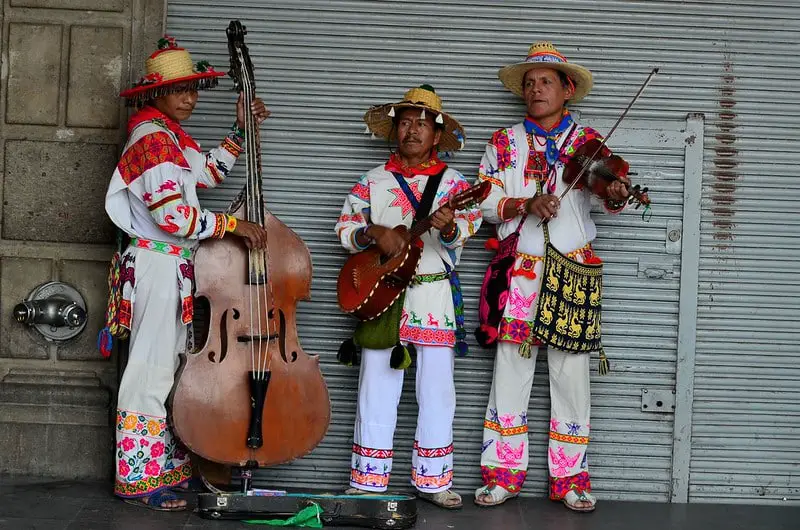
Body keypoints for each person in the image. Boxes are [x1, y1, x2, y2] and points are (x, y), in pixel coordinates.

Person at [103, 36, 270, 511]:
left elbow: (207, 175)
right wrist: (232, 225)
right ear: (153, 93)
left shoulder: (171, 137)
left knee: (168, 367)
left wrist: (239, 133)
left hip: (171, 267)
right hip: (157, 263)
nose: (190, 98)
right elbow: (174, 218)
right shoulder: (153, 140)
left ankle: (164, 468)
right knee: (150, 370)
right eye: (180, 90)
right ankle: (137, 478)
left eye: (194, 89)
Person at [473, 42, 630, 511]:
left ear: (567, 90)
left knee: (571, 378)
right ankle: (502, 474)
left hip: (573, 271)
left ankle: (571, 478)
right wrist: (524, 204)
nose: (535, 89)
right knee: (510, 373)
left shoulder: (589, 143)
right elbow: (481, 198)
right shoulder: (503, 142)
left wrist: (619, 191)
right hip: (520, 269)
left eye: (545, 82)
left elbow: (609, 198)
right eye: (529, 82)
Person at [334, 85, 482, 509]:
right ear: (394, 130)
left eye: (422, 124)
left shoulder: (454, 184)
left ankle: (433, 480)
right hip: (383, 294)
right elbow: (345, 228)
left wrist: (449, 227)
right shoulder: (373, 181)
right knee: (375, 387)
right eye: (405, 123)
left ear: (437, 135)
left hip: (433, 293)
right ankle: (368, 481)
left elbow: (466, 230)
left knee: (437, 389)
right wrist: (369, 233)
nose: (412, 131)